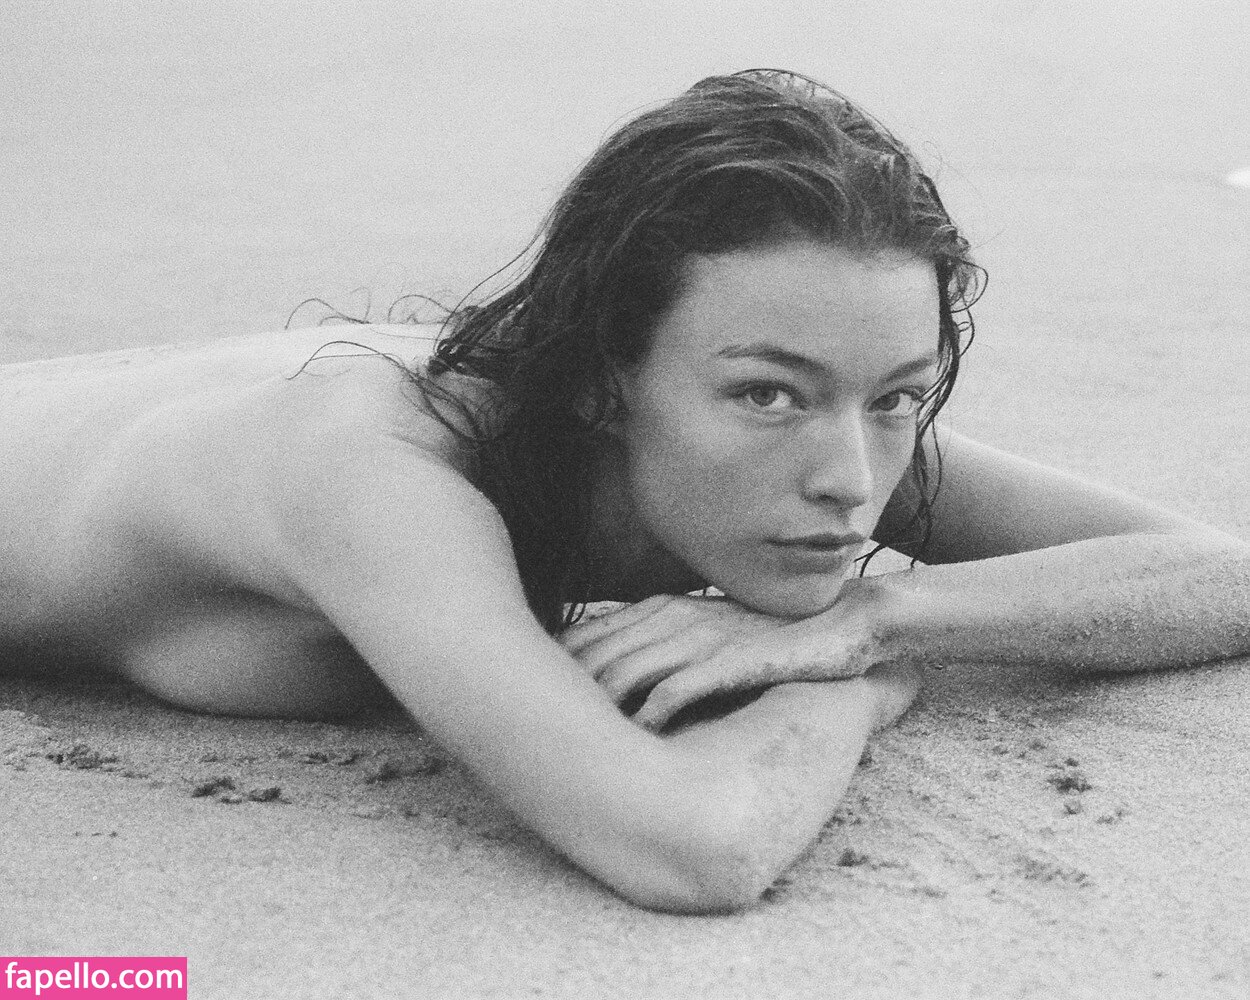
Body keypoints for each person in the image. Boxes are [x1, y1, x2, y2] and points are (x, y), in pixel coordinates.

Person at [2, 70, 1247, 914]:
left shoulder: (814, 436)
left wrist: (879, 616)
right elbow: (689, 843)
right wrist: (858, 686)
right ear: (603, 372)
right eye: (767, 393)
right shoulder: (378, 475)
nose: (851, 478)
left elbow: (1219, 573)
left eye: (896, 395)